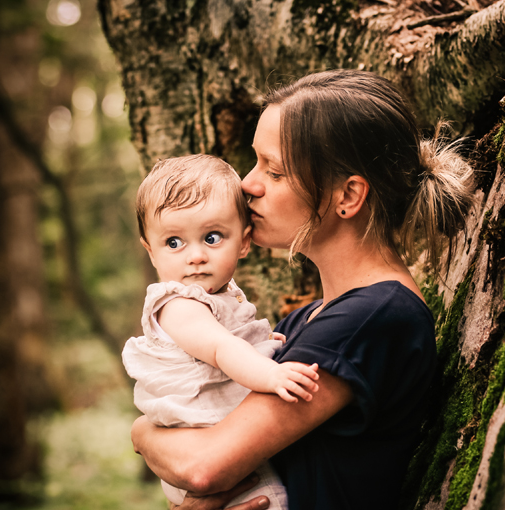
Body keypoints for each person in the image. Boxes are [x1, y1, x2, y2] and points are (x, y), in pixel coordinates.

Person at [129, 69, 476, 510]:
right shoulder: (306, 321)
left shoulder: (373, 317)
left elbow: (205, 467)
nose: (247, 184)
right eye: (254, 163)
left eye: (273, 171)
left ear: (347, 195)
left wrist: (142, 433)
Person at [122, 154, 321, 509]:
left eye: (212, 237)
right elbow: (219, 349)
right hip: (202, 444)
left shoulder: (220, 297)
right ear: (150, 251)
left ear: (244, 242)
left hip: (216, 443)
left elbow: (231, 343)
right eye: (173, 243)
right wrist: (270, 372)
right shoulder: (175, 304)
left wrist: (258, 343)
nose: (195, 255)